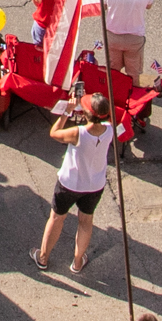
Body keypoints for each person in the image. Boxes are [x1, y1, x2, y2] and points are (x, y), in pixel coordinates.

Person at [36, 97, 115, 275]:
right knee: (85, 222)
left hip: (69, 184)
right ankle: (78, 262)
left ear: (85, 114)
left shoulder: (78, 133)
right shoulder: (110, 130)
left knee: (56, 218)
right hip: (94, 185)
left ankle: (43, 258)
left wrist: (66, 112)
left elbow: (54, 133)